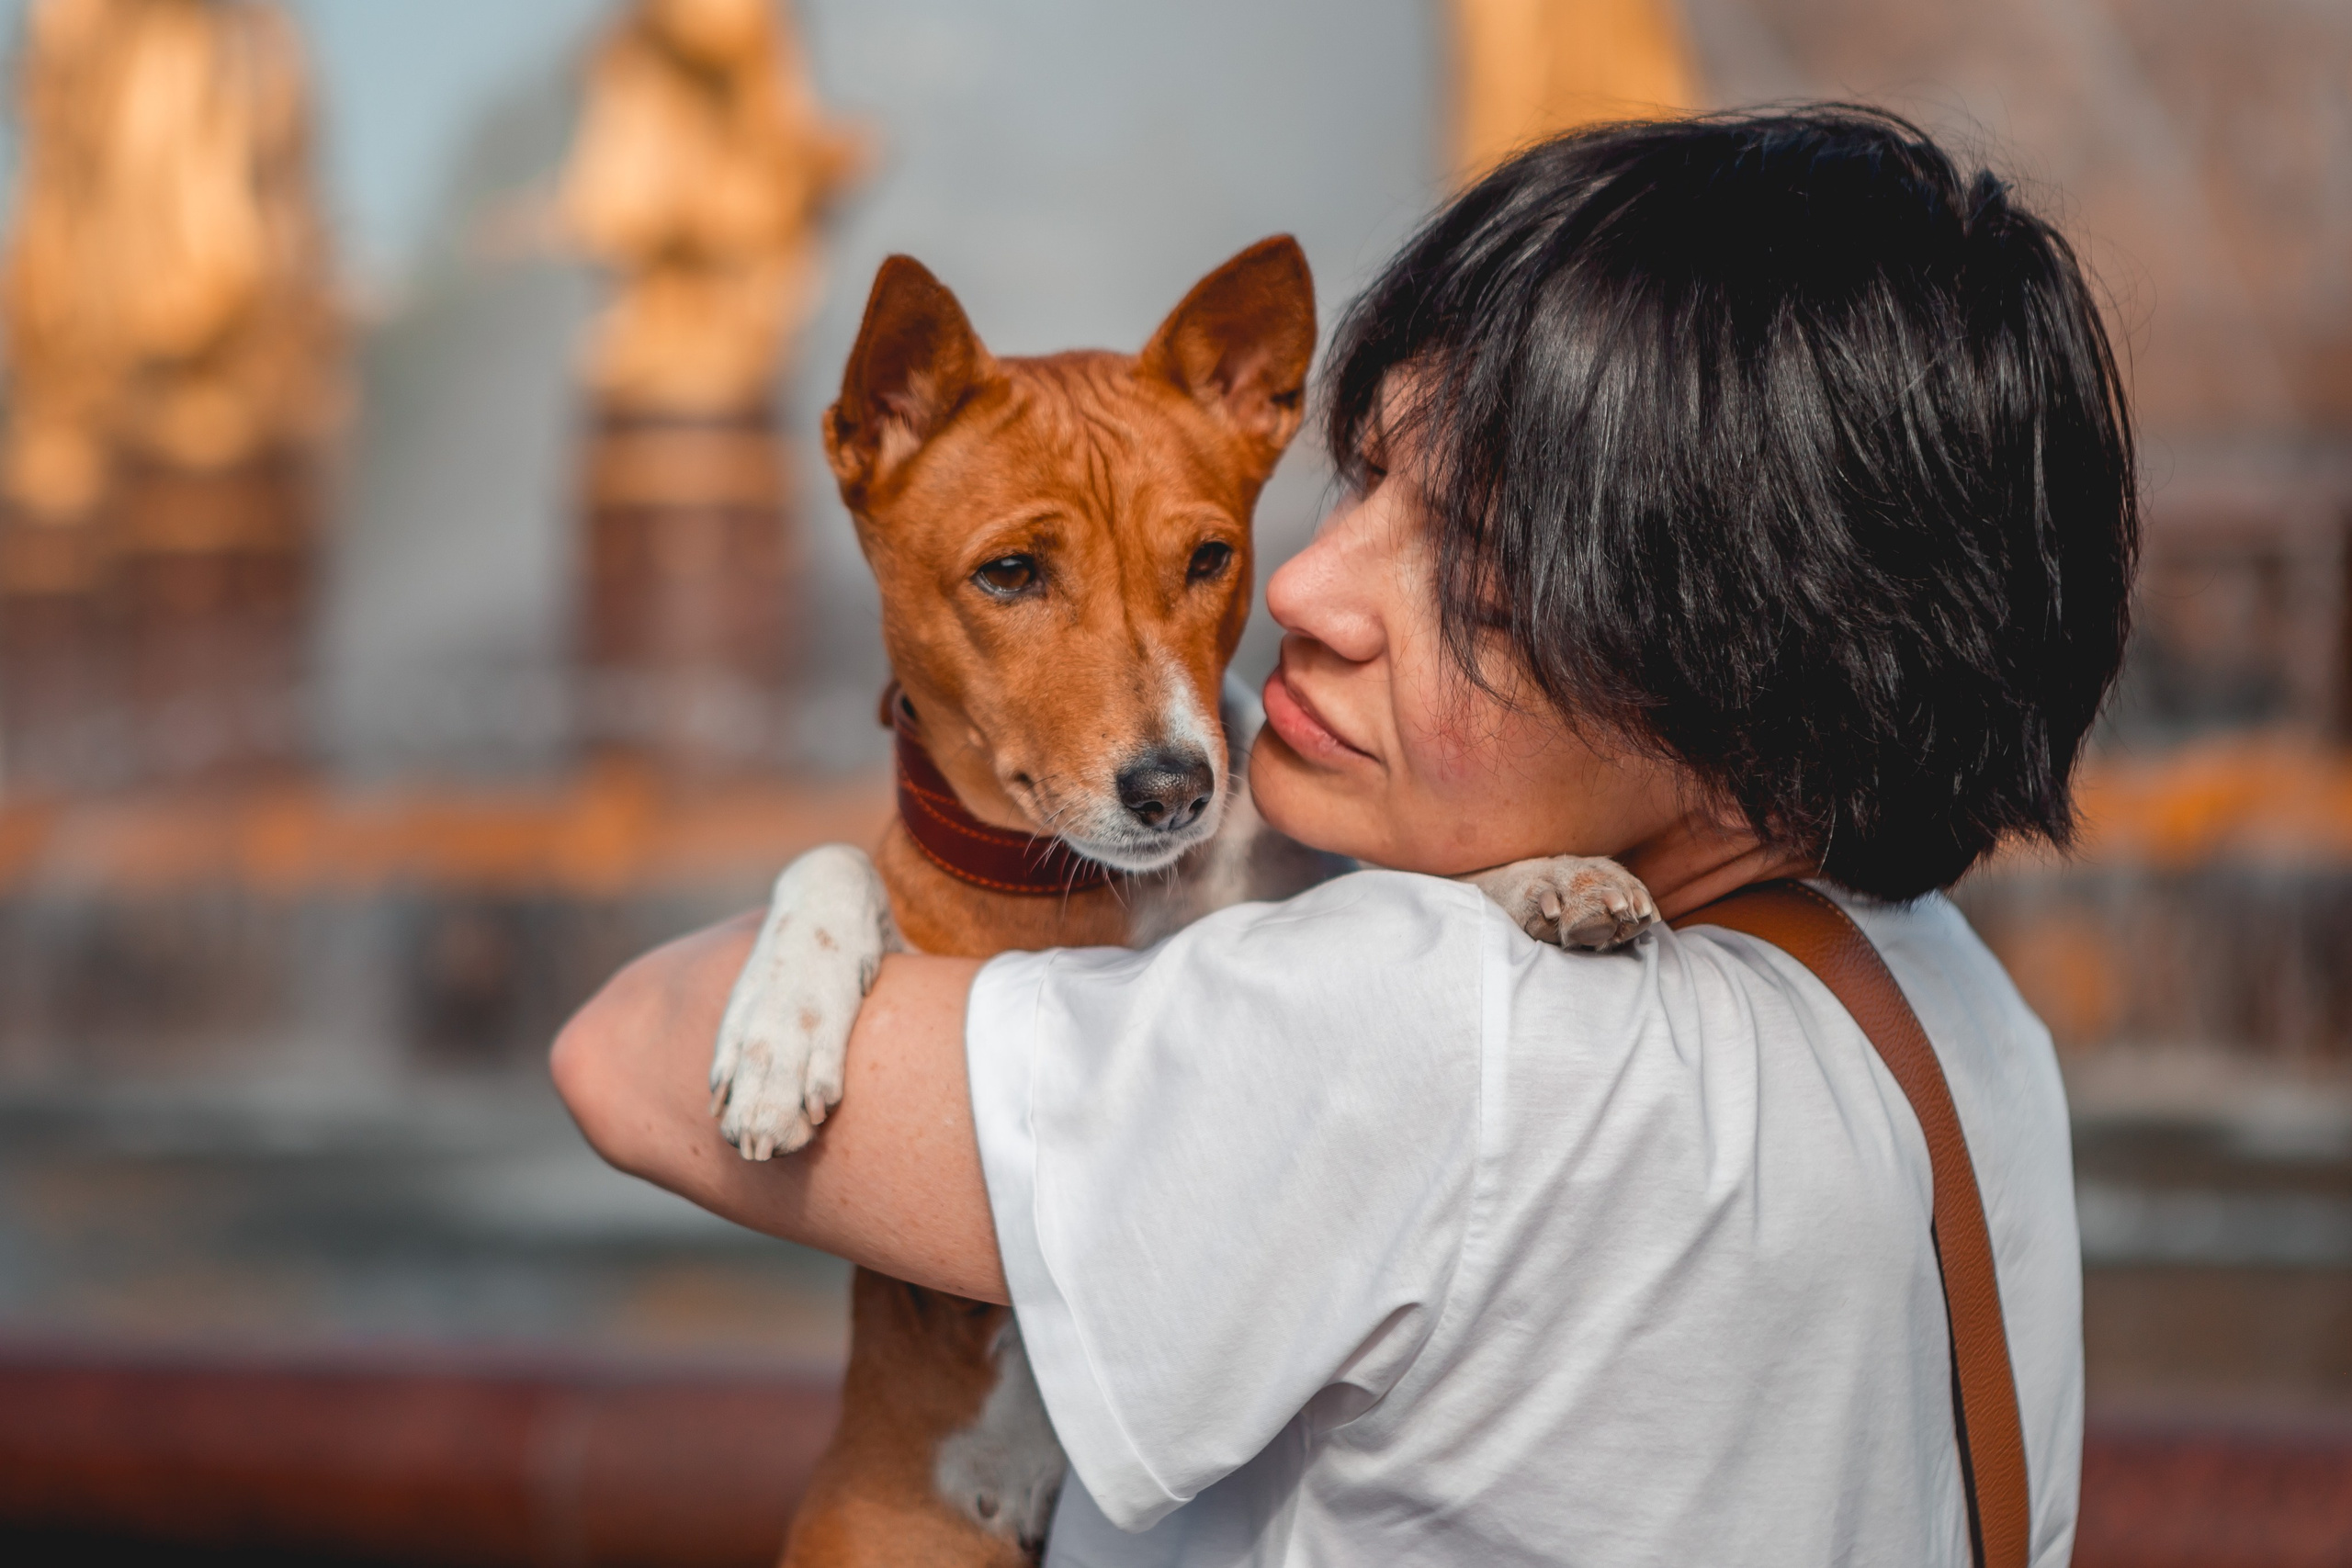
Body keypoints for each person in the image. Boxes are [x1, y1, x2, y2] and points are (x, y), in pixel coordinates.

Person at [551, 107, 2135, 1566]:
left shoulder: (1434, 1025)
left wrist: (857, 882)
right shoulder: (1969, 1021)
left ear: (1752, 680)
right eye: (1365, 477)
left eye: (1480, 571)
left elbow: (625, 1052)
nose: (1299, 591)